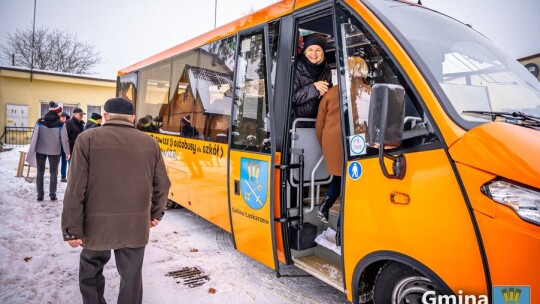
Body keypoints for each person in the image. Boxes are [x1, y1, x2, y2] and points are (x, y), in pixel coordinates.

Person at [61, 97, 171, 304]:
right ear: (132, 118)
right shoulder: (149, 142)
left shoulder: (87, 139)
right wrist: (155, 213)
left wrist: (72, 229)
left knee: (90, 272)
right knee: (131, 278)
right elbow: (162, 184)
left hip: (95, 225)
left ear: (104, 116)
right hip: (135, 224)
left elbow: (75, 189)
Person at [26, 101, 70, 201]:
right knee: (53, 173)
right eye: (60, 112)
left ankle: (40, 195)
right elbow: (64, 138)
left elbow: (35, 135)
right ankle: (52, 195)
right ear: (57, 112)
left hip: (40, 150)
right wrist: (67, 152)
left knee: (40, 172)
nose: (61, 114)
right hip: (54, 151)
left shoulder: (40, 121)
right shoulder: (60, 123)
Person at [315, 86, 342, 228]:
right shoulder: (368, 91)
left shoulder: (331, 92)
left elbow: (319, 125)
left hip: (331, 143)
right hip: (357, 145)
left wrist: (325, 147)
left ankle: (325, 204)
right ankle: (340, 232)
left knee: (339, 177)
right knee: (350, 189)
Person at [291, 33, 333, 124]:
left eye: (318, 50)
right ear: (305, 52)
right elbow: (291, 98)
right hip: (297, 124)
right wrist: (314, 88)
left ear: (323, 52)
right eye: (310, 49)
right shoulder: (296, 67)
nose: (314, 53)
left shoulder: (326, 69)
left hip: (319, 122)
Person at [59, 112, 70, 182]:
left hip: (65, 146)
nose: (63, 118)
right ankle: (55, 175)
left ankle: (64, 176)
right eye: (62, 117)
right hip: (57, 146)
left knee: (65, 161)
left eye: (65, 117)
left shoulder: (67, 125)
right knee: (56, 162)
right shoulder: (57, 125)